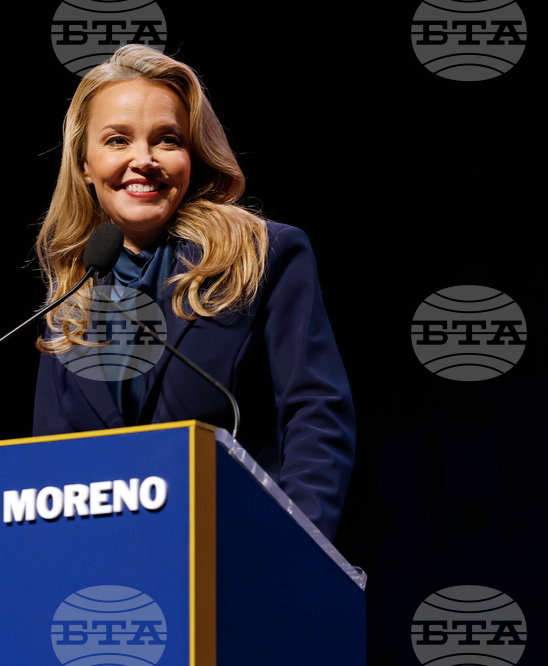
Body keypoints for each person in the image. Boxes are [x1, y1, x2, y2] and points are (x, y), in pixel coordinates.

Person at [32, 44, 355, 541]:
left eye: (167, 140)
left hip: (241, 557)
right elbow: (48, 477)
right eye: (117, 140)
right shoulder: (71, 302)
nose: (144, 160)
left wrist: (293, 549)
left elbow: (316, 418)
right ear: (84, 166)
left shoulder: (264, 255)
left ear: (193, 157)